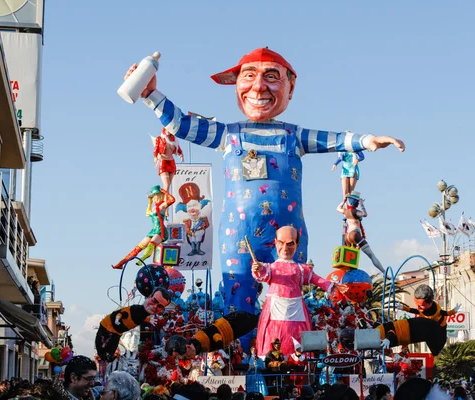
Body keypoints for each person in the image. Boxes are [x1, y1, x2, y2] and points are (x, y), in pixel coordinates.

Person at [124, 47, 405, 335]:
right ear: (236, 85)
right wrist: (150, 96)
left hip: (289, 235)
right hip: (237, 236)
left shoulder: (294, 136)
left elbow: (334, 140)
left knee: (291, 300)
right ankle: (244, 360)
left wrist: (367, 140)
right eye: (249, 76)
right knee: (238, 302)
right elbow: (182, 125)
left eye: (271, 77)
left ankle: (286, 358)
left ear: (290, 86)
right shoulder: (228, 135)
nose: (259, 87)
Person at [251, 226, 348, 356]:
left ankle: (301, 363)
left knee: (298, 338)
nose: (285, 248)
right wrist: (257, 268)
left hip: (296, 309)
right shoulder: (271, 268)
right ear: (275, 242)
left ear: (297, 244)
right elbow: (262, 272)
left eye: (290, 243)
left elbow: (316, 279)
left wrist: (332, 286)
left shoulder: (301, 269)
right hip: (275, 307)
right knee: (272, 336)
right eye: (281, 243)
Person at [96, 288, 171, 362]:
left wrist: (149, 320)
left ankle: (107, 359)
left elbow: (142, 317)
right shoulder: (135, 309)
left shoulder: (144, 315)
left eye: (160, 306)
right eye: (154, 300)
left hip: (117, 332)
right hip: (107, 326)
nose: (155, 306)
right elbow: (122, 313)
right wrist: (117, 319)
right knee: (102, 346)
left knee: (110, 349)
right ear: (149, 297)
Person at [112, 186, 175, 269]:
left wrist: (165, 192)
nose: (153, 199)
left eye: (153, 197)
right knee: (137, 248)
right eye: (152, 198)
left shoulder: (162, 206)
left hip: (160, 231)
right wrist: (149, 202)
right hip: (153, 230)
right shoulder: (153, 208)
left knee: (150, 245)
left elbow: (172, 200)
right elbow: (148, 213)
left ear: (158, 196)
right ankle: (121, 263)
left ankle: (142, 259)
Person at [336, 191, 384, 273]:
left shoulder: (345, 211)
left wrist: (344, 201)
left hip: (347, 237)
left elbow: (337, 208)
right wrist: (362, 204)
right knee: (371, 255)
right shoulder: (355, 212)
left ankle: (349, 272)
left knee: (350, 257)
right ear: (357, 202)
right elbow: (364, 214)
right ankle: (384, 272)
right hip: (355, 234)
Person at [152, 127, 184, 192]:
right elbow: (156, 149)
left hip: (171, 162)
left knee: (169, 184)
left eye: (170, 130)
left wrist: (181, 155)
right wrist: (155, 157)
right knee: (166, 184)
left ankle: (166, 199)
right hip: (163, 161)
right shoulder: (160, 139)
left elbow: (179, 149)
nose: (168, 131)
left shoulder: (174, 140)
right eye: (167, 129)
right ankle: (165, 200)